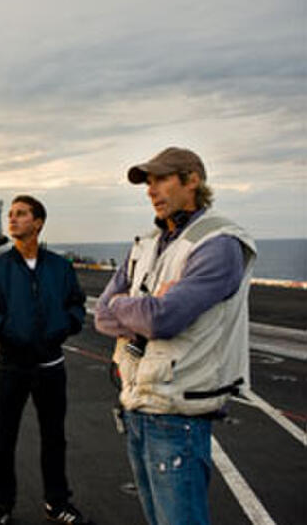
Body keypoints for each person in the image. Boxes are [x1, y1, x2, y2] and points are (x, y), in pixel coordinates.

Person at [94, 147, 256, 525]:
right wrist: (135, 306)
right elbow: (101, 316)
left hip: (178, 413)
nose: (151, 190)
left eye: (162, 179)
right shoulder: (147, 243)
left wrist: (127, 305)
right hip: (138, 404)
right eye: (148, 183)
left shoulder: (218, 243)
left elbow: (163, 320)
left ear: (192, 180)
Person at [0, 195, 91, 525]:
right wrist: (6, 329)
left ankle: (57, 503)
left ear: (38, 222)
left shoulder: (60, 267)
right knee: (4, 439)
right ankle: (1, 505)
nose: (13, 219)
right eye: (11, 214)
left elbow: (77, 305)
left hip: (50, 367)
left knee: (54, 439)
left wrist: (65, 325)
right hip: (10, 367)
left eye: (21, 214)